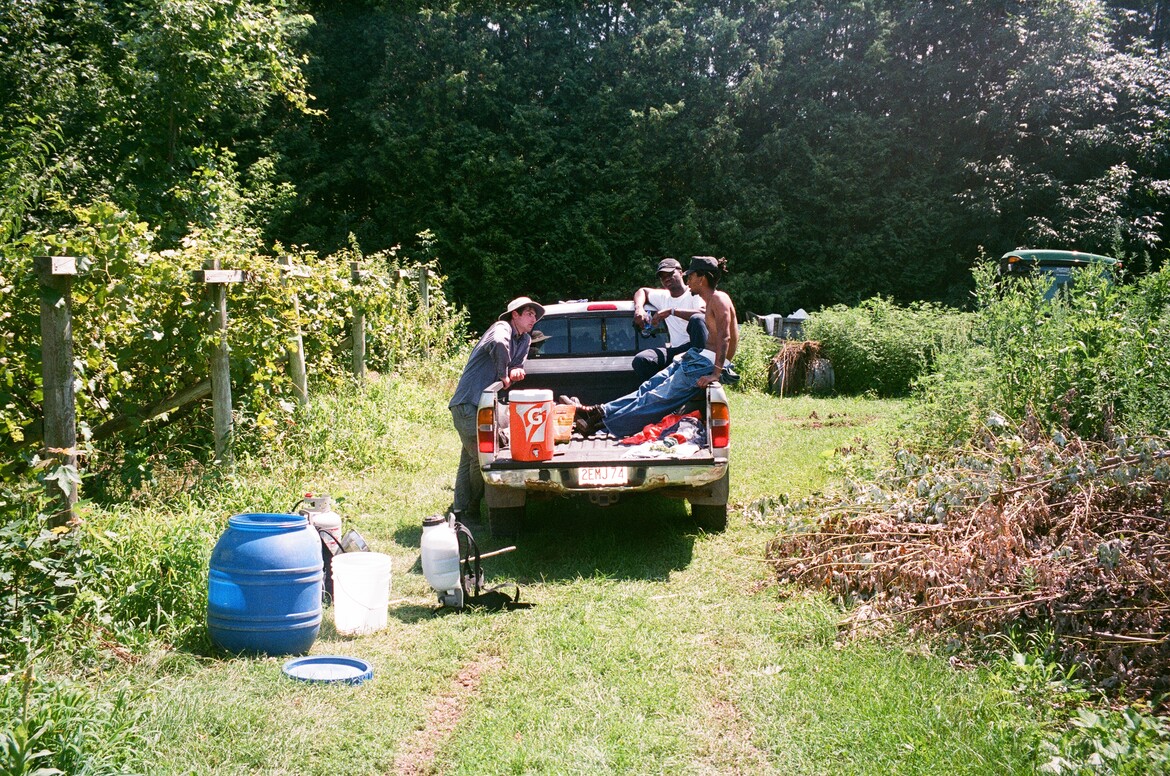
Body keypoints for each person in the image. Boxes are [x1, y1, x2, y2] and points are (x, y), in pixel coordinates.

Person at [576, 256, 738, 438]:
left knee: (656, 398)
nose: (689, 280)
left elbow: (726, 336)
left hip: (704, 364)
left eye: (691, 276)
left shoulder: (719, 298)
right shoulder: (710, 300)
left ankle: (599, 425)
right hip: (697, 357)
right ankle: (599, 411)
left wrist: (716, 373)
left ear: (702, 278)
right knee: (648, 387)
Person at [448, 296, 544, 524]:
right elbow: (500, 345)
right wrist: (503, 374)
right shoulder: (501, 328)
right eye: (529, 314)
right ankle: (470, 512)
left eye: (535, 315)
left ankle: (459, 510)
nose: (533, 319)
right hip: (467, 405)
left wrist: (517, 369)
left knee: (469, 460)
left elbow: (518, 364)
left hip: (483, 407)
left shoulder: (524, 339)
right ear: (515, 315)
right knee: (479, 461)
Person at [631, 258, 707, 380]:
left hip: (695, 348)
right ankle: (660, 393)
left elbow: (703, 314)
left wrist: (671, 311)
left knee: (697, 319)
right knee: (641, 360)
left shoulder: (693, 293)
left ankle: (697, 381)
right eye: (662, 277)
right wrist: (639, 309)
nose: (666, 279)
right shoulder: (663, 296)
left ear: (681, 272)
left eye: (670, 274)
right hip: (676, 350)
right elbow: (642, 291)